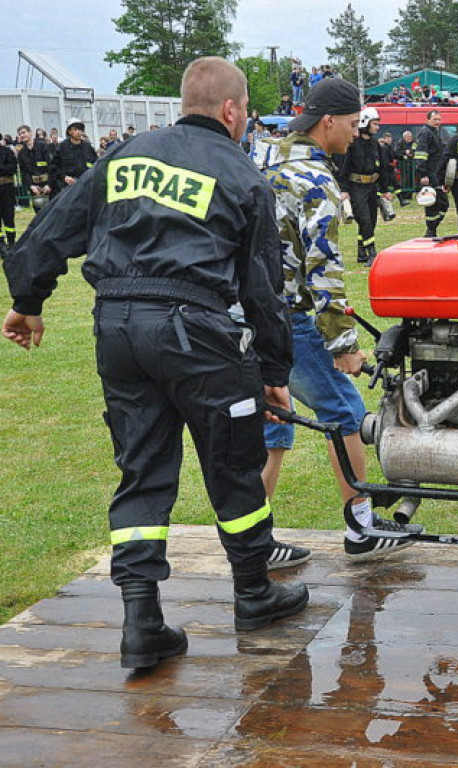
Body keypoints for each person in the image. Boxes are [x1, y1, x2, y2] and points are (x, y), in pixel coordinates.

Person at [2, 56, 311, 670]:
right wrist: (275, 374)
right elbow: (262, 289)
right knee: (233, 463)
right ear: (231, 110)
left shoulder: (124, 155)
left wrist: (27, 302)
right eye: (246, 111)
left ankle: (142, 621)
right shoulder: (241, 173)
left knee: (141, 468)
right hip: (199, 333)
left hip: (118, 329)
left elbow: (53, 227)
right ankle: (254, 593)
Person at [257, 78, 422, 558]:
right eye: (352, 123)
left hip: (249, 314)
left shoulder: (264, 162)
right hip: (290, 317)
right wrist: (344, 345)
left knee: (274, 422)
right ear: (328, 122)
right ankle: (362, 529)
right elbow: (323, 268)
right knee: (345, 414)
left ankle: (253, 541)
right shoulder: (315, 180)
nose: (356, 132)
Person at [337, 107, 392, 265]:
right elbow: (344, 168)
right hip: (356, 187)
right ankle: (371, 253)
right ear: (365, 123)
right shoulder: (352, 144)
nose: (377, 127)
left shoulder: (375, 144)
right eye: (375, 124)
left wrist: (385, 190)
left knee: (371, 221)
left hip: (372, 187)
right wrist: (344, 190)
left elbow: (382, 168)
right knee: (365, 220)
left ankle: (361, 253)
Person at [414, 109, 450, 237]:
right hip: (429, 174)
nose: (438, 122)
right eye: (435, 119)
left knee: (443, 204)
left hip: (437, 174)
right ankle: (431, 231)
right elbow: (420, 155)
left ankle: (432, 228)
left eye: (439, 119)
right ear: (428, 119)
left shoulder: (434, 132)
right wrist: (423, 174)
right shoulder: (426, 133)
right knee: (431, 204)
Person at [49, 120, 97, 197]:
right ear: (69, 131)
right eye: (75, 129)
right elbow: (54, 167)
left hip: (85, 186)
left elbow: (95, 164)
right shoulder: (62, 147)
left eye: (80, 130)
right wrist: (64, 177)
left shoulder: (88, 147)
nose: (78, 132)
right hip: (68, 188)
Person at [15, 125, 52, 206]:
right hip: (35, 187)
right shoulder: (22, 153)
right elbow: (24, 173)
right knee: (39, 210)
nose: (22, 135)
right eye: (20, 134)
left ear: (30, 132)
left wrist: (49, 184)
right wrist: (31, 186)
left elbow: (51, 167)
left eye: (24, 132)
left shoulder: (43, 146)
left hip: (49, 184)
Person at [0, 140, 16, 254]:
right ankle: (1, 244)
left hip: (7, 188)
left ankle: (11, 243)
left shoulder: (7, 152)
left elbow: (12, 169)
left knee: (8, 216)